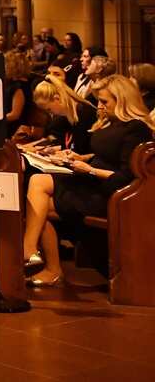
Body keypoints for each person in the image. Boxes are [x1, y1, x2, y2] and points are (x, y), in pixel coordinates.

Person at [22, 74, 155, 287]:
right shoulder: (112, 122)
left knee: (39, 207)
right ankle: (32, 252)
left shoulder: (136, 128)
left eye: (104, 101)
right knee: (37, 183)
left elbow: (126, 175)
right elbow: (105, 155)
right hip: (92, 183)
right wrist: (80, 157)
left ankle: (44, 263)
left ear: (122, 99)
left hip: (110, 192)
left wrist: (90, 170)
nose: (99, 106)